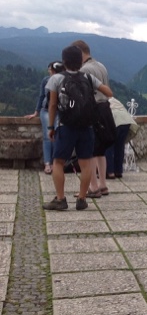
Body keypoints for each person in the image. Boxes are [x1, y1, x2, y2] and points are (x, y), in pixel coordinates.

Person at [43, 45, 113, 211]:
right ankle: (82, 199)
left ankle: (60, 199)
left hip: (66, 126)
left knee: (58, 162)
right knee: (86, 163)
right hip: (87, 127)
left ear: (64, 61)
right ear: (80, 61)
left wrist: (51, 126)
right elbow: (109, 92)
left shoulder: (56, 79)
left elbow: (52, 105)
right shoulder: (88, 77)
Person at [71, 40, 112, 197]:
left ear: (79, 52)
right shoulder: (101, 66)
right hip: (105, 107)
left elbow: (83, 94)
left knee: (90, 150)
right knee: (100, 151)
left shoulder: (84, 69)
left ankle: (93, 187)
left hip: (93, 110)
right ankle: (103, 185)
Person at [25, 61, 65, 174]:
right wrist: (36, 112)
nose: (48, 71)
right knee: (47, 137)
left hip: (59, 111)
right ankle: (48, 163)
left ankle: (55, 162)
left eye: (49, 69)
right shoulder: (46, 80)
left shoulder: (64, 80)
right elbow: (41, 96)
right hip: (46, 110)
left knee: (57, 136)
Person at [105, 97, 139, 179]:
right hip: (126, 122)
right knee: (119, 147)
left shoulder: (101, 101)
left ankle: (110, 172)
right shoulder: (114, 100)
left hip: (116, 121)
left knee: (109, 146)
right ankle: (118, 171)